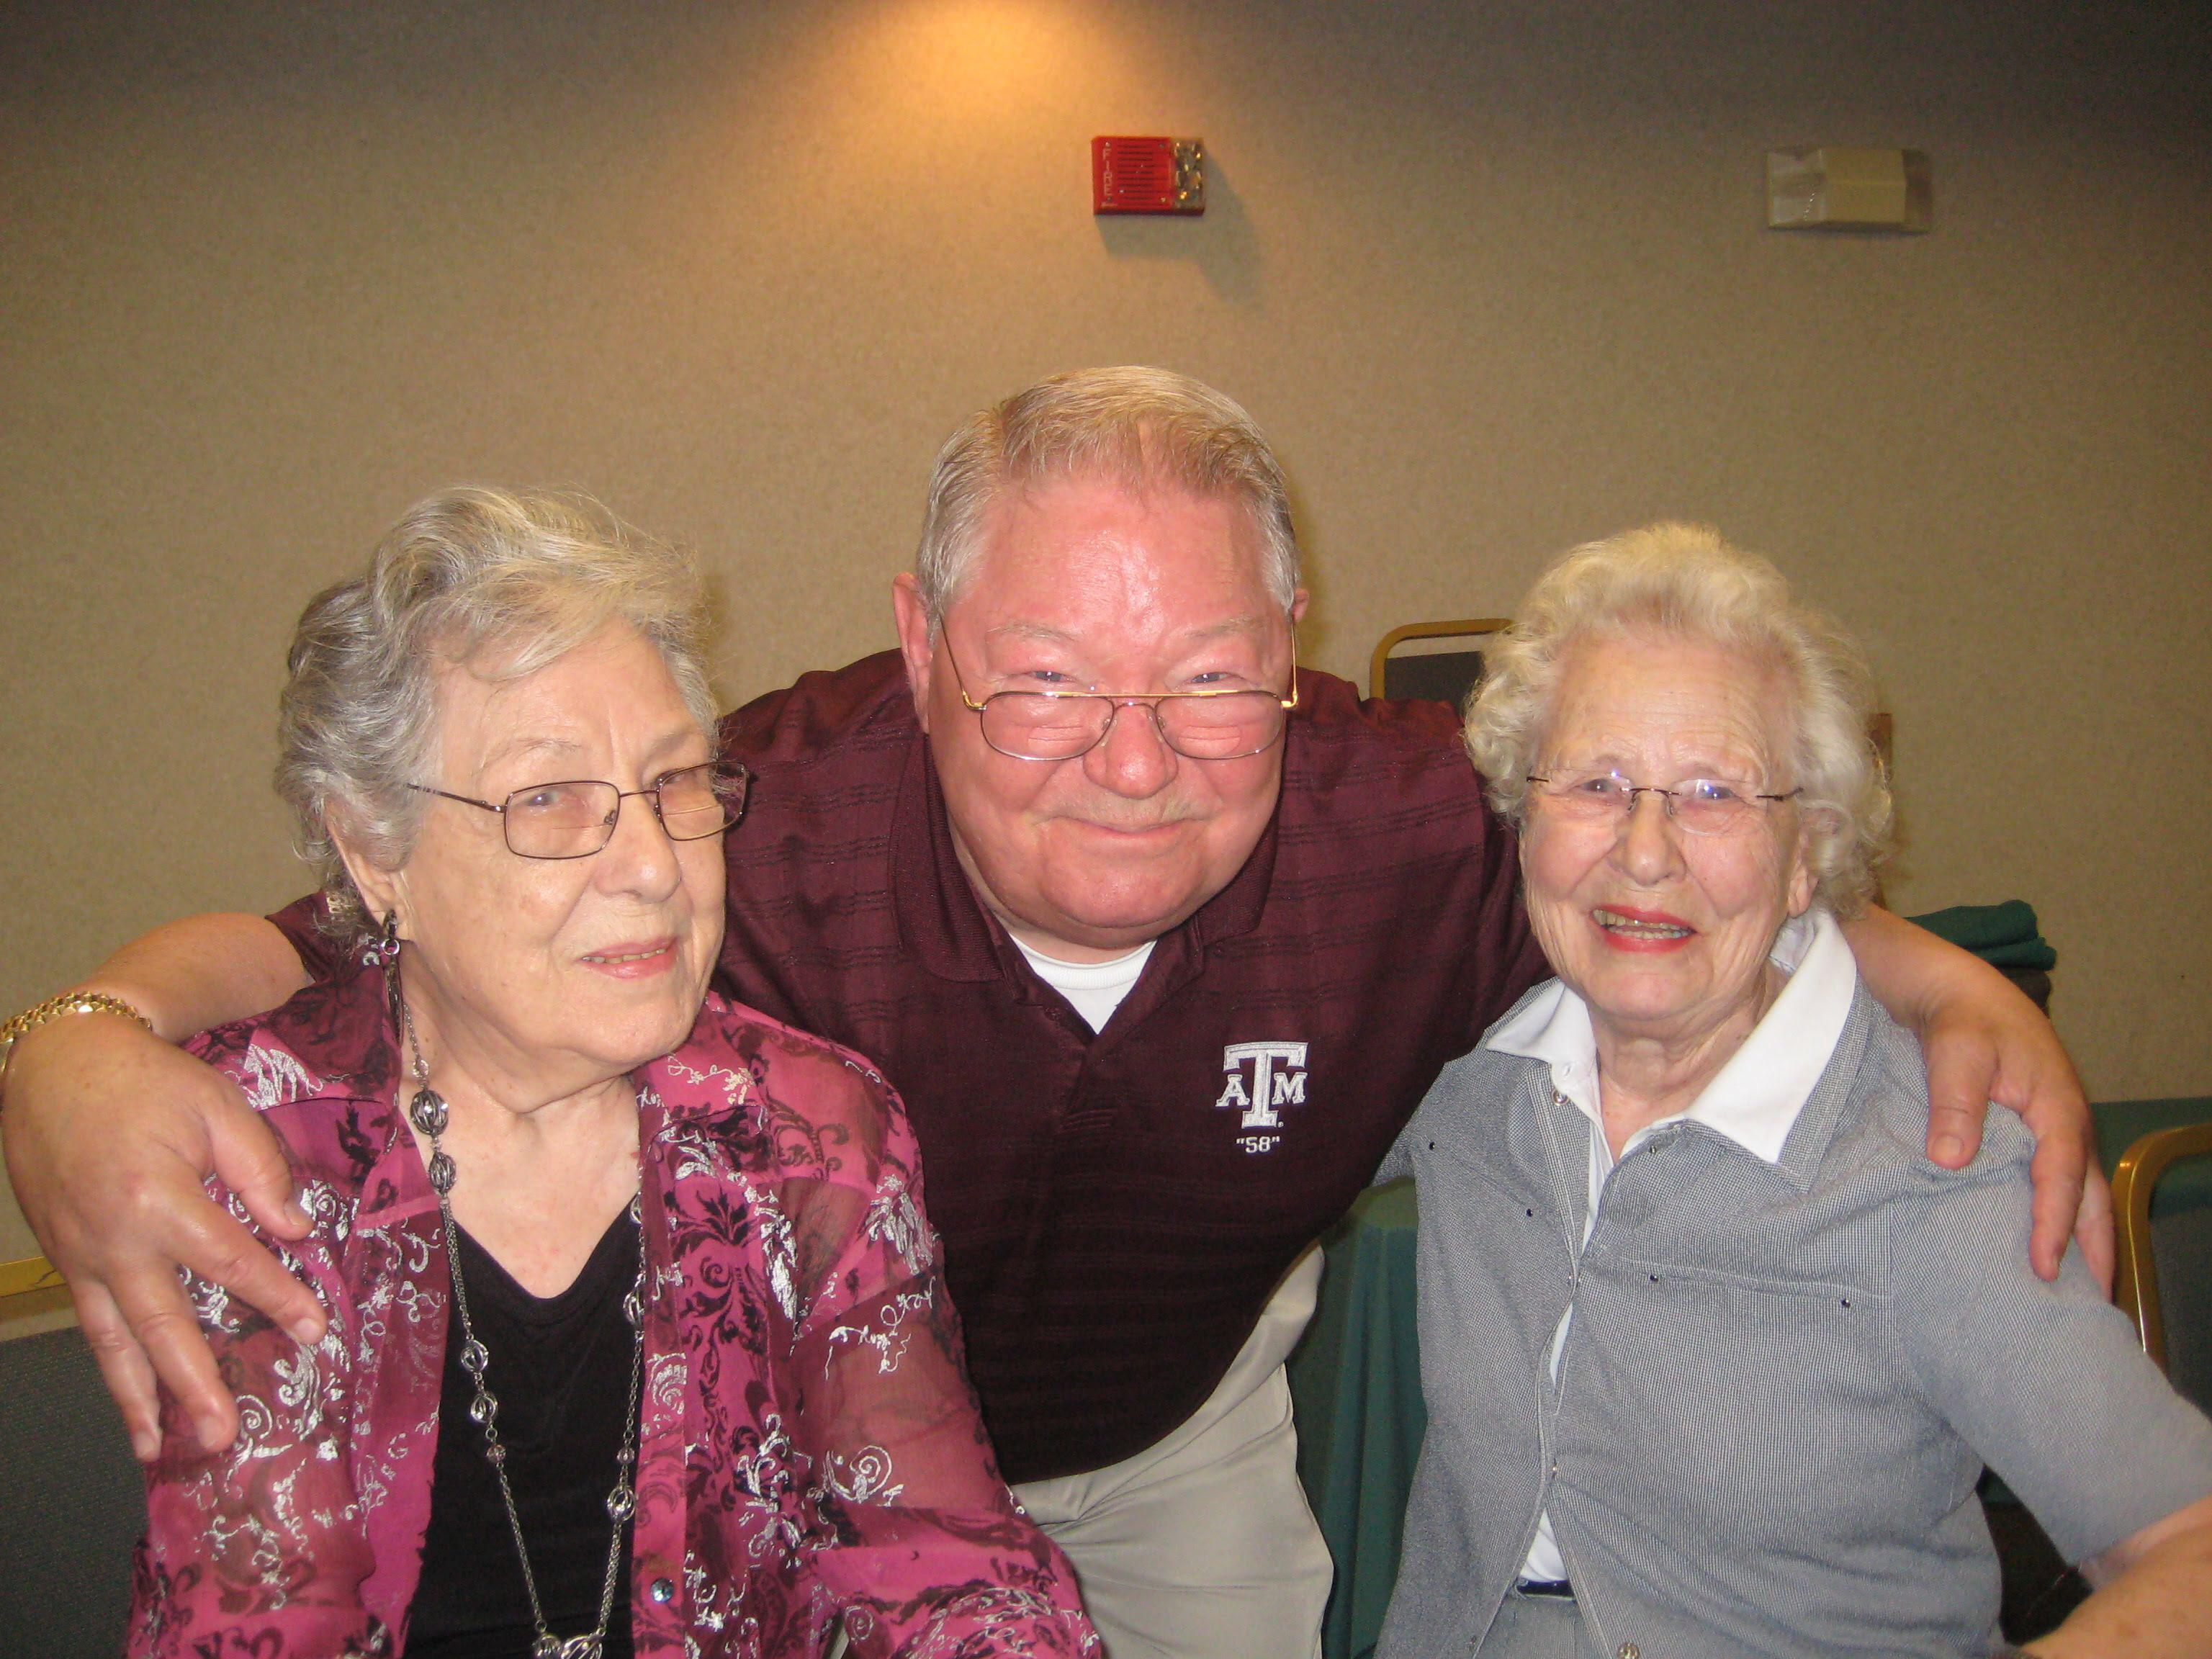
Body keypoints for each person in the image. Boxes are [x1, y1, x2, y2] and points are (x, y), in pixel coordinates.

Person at [3, 371, 2102, 1659]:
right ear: (918, 649)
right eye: (1040, 680)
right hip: (796, 1463)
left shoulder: (1401, 823)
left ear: (1288, 649)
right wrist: (76, 1043)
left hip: (1173, 1440)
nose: (1133, 752)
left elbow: (1681, 877)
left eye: (1205, 674)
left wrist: (1927, 979)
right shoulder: (736, 822)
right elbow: (341, 943)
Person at [124, 488, 1098, 1658]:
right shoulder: (259, 1153)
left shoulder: (809, 1132)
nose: (652, 865)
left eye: (677, 783)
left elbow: (938, 1563)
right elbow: (258, 1619)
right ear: (372, 848)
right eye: (548, 800)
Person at [1374, 523, 2212, 1659]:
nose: (1645, 850)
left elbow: (2190, 1551)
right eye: (1597, 782)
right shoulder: (1469, 1085)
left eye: (1715, 792)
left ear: (1809, 852)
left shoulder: (1929, 1172)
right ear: (1522, 817)